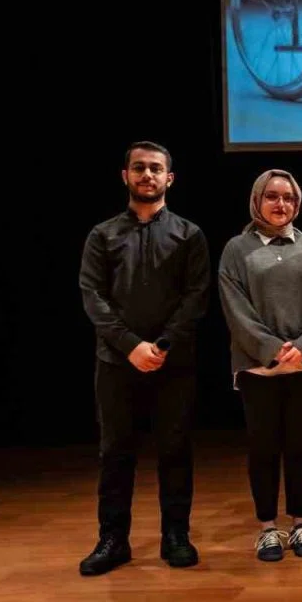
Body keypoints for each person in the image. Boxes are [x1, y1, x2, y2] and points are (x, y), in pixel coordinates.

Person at [77, 141, 210, 575]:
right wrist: (131, 345)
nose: (147, 175)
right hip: (117, 363)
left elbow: (196, 297)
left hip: (174, 363)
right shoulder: (102, 235)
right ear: (125, 176)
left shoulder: (189, 234)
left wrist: (163, 345)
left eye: (155, 168)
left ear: (170, 178)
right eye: (139, 168)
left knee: (175, 451)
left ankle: (176, 536)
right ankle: (113, 540)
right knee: (115, 453)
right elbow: (93, 297)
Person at [217, 169, 302, 562]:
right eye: (271, 196)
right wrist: (270, 348)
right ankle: (268, 527)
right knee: (263, 447)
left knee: (300, 447)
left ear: (297, 203)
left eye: (288, 197)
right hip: (258, 368)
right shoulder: (237, 249)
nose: (280, 204)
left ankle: (300, 522)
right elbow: (235, 308)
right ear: (257, 200)